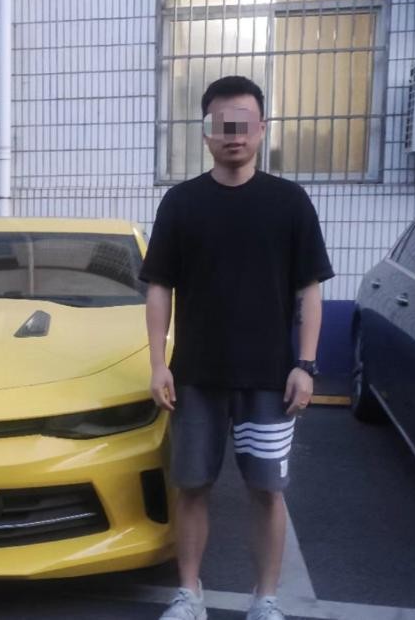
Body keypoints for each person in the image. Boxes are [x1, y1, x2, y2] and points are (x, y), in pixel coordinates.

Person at [143, 76, 334, 620]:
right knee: (192, 487)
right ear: (205, 132)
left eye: (244, 124)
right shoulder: (181, 202)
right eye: (222, 125)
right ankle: (190, 594)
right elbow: (158, 287)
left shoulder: (289, 202)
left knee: (267, 491)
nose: (233, 135)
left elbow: (310, 289)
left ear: (261, 129)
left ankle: (265, 599)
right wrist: (158, 363)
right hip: (196, 378)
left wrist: (305, 365)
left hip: (269, 380)